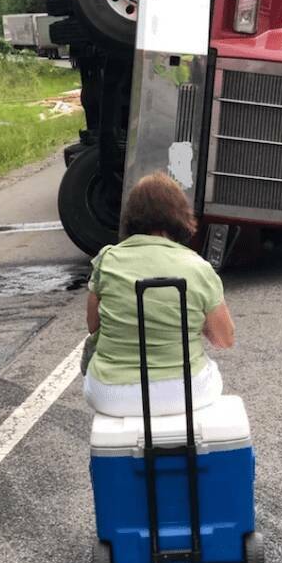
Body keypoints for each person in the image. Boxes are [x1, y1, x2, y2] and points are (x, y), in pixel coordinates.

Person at [83, 171, 235, 417]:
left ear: (130, 216)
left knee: (93, 374)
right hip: (186, 393)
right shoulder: (198, 267)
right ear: (181, 215)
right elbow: (224, 339)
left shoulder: (107, 259)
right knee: (212, 373)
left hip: (112, 394)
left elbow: (93, 325)